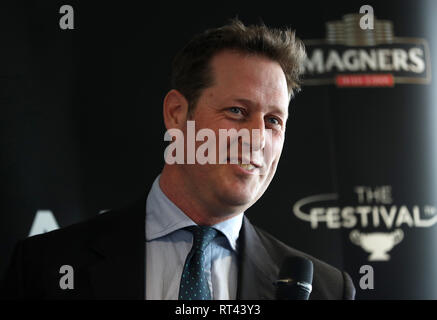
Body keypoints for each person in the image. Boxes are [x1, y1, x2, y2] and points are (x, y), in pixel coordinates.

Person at [0, 18, 355, 300]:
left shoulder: (326, 290)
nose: (257, 137)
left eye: (273, 121)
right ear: (176, 114)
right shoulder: (47, 266)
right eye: (236, 110)